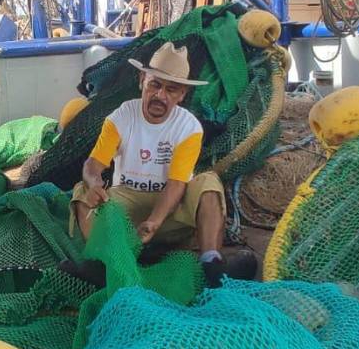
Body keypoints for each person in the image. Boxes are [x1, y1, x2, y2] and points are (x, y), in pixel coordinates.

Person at [65, 42, 258, 285]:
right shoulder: (121, 116)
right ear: (142, 81)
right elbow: (93, 164)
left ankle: (211, 264)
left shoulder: (189, 127)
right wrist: (93, 183)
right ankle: (103, 265)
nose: (160, 96)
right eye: (154, 85)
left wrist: (154, 223)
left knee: (208, 183)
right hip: (126, 208)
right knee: (82, 191)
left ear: (182, 95)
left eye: (171, 89)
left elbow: (177, 184)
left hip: (170, 213)